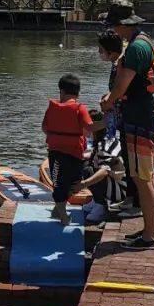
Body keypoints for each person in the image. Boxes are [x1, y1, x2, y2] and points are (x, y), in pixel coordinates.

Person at [101, 15, 154, 250]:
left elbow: (121, 85)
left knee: (141, 177)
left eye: (114, 25)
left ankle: (149, 237)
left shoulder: (136, 47)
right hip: (143, 116)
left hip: (139, 119)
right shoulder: (144, 41)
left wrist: (108, 101)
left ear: (123, 24)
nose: (113, 30)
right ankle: (149, 230)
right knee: (145, 174)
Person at [42, 73, 92, 224]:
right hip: (75, 154)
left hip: (56, 152)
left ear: (61, 91)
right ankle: (63, 215)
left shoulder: (52, 108)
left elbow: (44, 128)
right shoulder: (81, 108)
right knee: (74, 182)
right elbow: (88, 129)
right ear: (78, 93)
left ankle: (59, 209)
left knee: (58, 184)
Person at [96, 31, 129, 196]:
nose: (99, 53)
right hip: (116, 111)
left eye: (101, 50)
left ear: (111, 51)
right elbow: (115, 90)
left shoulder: (119, 65)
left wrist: (108, 102)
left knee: (113, 142)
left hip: (119, 115)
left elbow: (121, 90)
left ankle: (113, 173)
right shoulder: (117, 63)